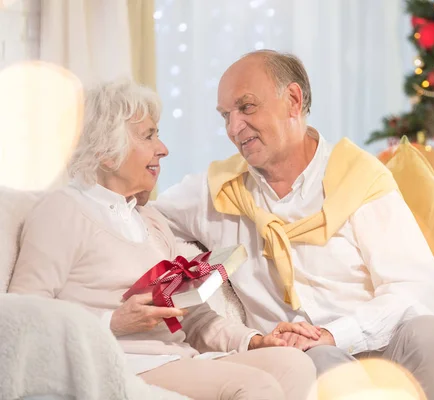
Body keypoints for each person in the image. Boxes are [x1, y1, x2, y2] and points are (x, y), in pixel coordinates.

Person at [153, 50, 434, 400]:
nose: (233, 127)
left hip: (379, 342)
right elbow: (140, 218)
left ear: (293, 101)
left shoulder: (358, 179)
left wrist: (335, 334)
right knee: (323, 362)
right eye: (226, 115)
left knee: (430, 335)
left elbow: (421, 291)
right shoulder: (216, 191)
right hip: (302, 360)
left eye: (247, 107)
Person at [8, 79, 316, 400]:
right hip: (124, 363)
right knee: (255, 386)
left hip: (176, 357)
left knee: (294, 364)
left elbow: (192, 316)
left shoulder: (150, 219)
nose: (163, 148)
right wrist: (112, 322)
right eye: (149, 135)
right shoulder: (63, 211)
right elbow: (24, 317)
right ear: (107, 151)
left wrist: (254, 340)